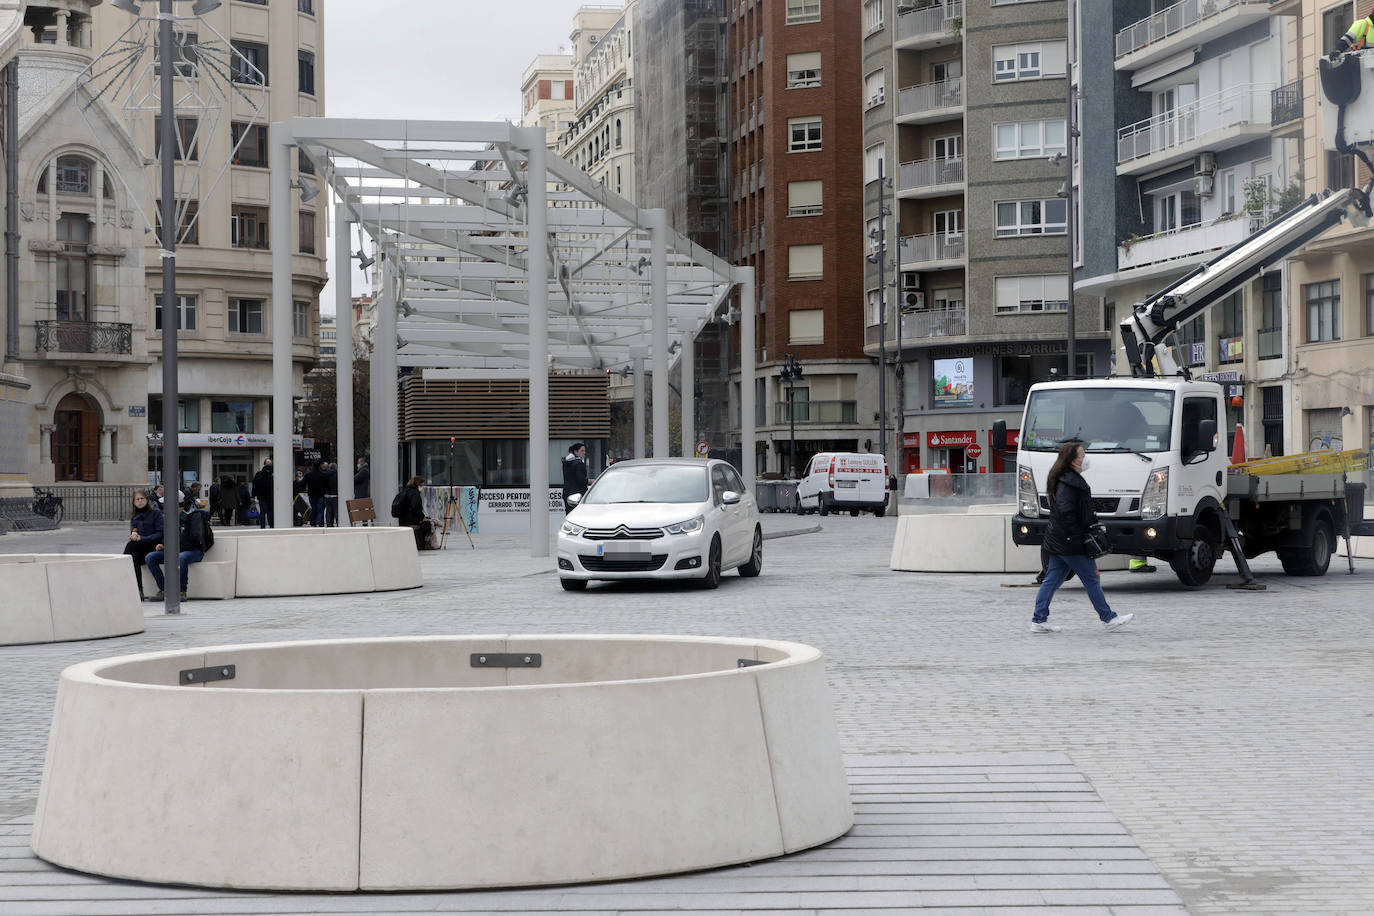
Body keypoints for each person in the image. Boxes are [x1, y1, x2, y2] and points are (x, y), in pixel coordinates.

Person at [1031, 441, 1134, 634]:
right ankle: (1108, 618)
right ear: (1072, 460)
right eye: (1082, 455)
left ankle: (1039, 619)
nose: (1086, 458)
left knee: (1052, 580)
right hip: (1069, 542)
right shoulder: (1069, 483)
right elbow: (1066, 512)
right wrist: (1077, 537)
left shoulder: (1064, 479)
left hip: (1059, 540)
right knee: (1091, 578)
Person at [145, 504, 212, 602]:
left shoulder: (194, 516)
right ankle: (164, 589)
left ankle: (182, 591)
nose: (165, 509)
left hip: (194, 551)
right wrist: (163, 545)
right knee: (150, 557)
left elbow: (195, 539)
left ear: (180, 506)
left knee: (181, 557)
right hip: (175, 551)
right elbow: (166, 537)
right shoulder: (169, 519)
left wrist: (174, 547)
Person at [123, 489, 163, 600]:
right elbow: (134, 531)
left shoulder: (156, 513)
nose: (140, 501)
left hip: (153, 545)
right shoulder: (134, 516)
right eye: (137, 499)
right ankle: (139, 590)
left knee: (130, 547)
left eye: (142, 499)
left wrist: (142, 538)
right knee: (133, 554)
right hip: (139, 547)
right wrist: (133, 535)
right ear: (134, 502)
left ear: (147, 500)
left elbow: (159, 534)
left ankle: (132, 588)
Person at [396, 475, 432, 550]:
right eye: (422, 484)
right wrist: (423, 517)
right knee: (429, 524)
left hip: (402, 520)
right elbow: (415, 508)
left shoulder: (404, 491)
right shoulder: (415, 493)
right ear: (418, 484)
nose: (423, 486)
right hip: (411, 520)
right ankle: (425, 545)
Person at [561, 442, 591, 513]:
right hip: (578, 493)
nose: (584, 453)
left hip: (567, 492)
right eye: (582, 451)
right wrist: (590, 481)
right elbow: (581, 480)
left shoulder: (566, 463)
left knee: (569, 514)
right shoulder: (579, 464)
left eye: (584, 451)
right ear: (576, 452)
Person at [303, 460, 330, 527]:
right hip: (321, 495)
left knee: (314, 509)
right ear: (320, 466)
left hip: (312, 495)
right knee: (320, 510)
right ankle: (318, 523)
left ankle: (314, 522)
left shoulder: (308, 475)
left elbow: (302, 483)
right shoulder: (323, 475)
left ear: (312, 466)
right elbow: (327, 485)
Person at [251, 458, 273, 528]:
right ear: (264, 464)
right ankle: (263, 526)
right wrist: (253, 496)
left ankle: (271, 525)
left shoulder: (273, 474)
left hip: (270, 497)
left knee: (270, 512)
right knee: (264, 512)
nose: (269, 465)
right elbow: (254, 486)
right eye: (268, 464)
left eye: (270, 464)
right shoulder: (259, 474)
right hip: (262, 497)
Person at [324, 461, 339, 527]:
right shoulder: (337, 474)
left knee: (329, 510)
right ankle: (338, 522)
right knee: (336, 510)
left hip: (327, 495)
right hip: (335, 495)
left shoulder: (325, 474)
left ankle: (329, 523)